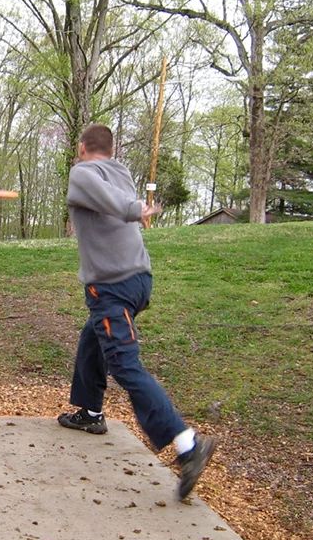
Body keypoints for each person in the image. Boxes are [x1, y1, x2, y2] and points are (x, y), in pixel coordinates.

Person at [58, 123, 216, 500]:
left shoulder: (82, 173)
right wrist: (136, 207)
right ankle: (91, 412)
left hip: (111, 285)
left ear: (82, 148)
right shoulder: (122, 171)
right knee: (93, 337)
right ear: (111, 150)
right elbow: (113, 198)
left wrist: (134, 208)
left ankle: (186, 443)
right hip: (139, 280)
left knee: (125, 365)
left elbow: (109, 200)